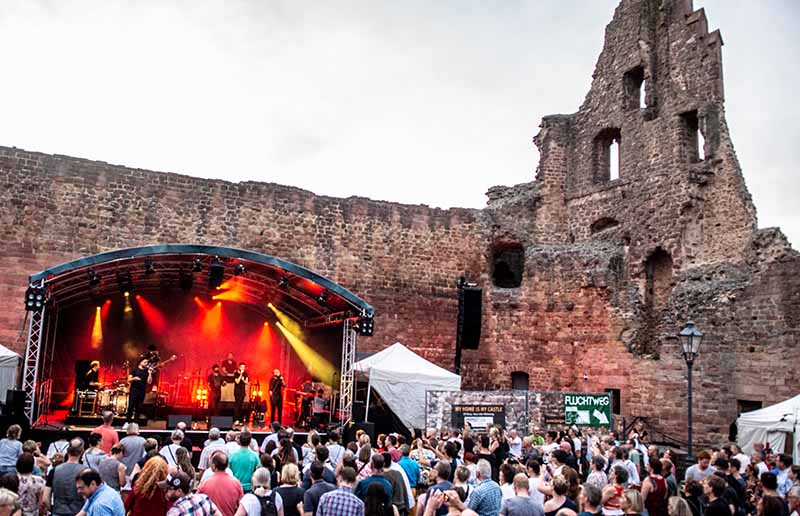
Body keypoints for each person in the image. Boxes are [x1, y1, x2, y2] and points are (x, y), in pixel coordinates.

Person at [43, 438, 85, 516]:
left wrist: (52, 510)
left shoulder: (54, 471)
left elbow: (45, 498)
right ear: (82, 451)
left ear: (68, 451)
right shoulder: (85, 472)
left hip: (58, 512)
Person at [126, 357, 152, 425]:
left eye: (147, 362)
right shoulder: (134, 370)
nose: (146, 364)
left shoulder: (147, 371)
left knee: (139, 407)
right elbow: (129, 379)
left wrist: (150, 373)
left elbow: (149, 382)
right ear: (140, 362)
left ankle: (135, 422)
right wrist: (134, 378)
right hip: (134, 390)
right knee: (131, 406)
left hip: (142, 391)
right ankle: (127, 422)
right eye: (145, 362)